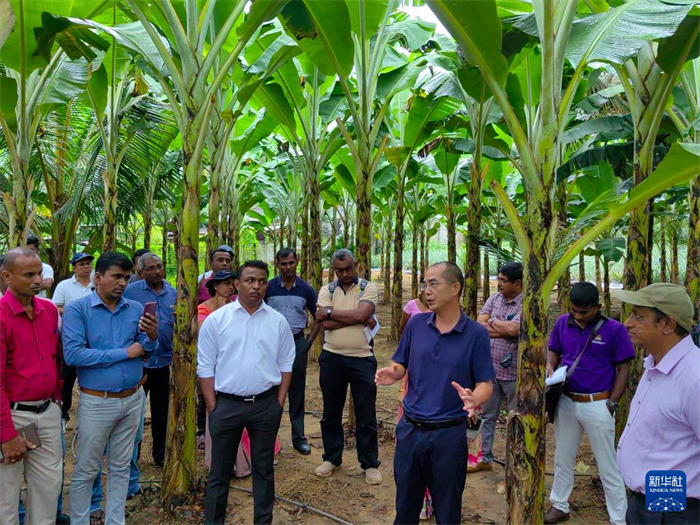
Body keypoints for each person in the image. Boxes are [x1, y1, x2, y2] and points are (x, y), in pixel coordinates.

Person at [376, 261, 495, 525]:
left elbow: (487, 382)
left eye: (433, 284)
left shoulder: (475, 334)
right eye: (424, 284)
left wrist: (475, 398)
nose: (426, 290)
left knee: (447, 509)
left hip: (448, 436)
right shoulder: (417, 324)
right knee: (405, 506)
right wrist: (394, 372)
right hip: (410, 430)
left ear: (455, 288)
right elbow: (401, 363)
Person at [62, 252, 158, 525]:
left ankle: (116, 521)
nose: (122, 283)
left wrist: (152, 337)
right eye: (116, 276)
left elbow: (145, 350)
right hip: (97, 401)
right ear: (98, 277)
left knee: (120, 467)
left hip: (132, 398)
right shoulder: (78, 310)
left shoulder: (136, 309)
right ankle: (80, 521)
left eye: (127, 278)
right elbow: (74, 355)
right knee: (86, 469)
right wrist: (123, 353)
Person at [198, 260, 295, 525]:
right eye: (250, 280)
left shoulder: (277, 322)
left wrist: (279, 402)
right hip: (226, 406)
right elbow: (205, 366)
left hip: (265, 406)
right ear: (237, 284)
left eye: (262, 281)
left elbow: (286, 363)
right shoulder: (217, 320)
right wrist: (212, 408)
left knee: (264, 471)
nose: (256, 286)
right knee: (219, 474)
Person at [544, 282, 633, 525]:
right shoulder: (563, 323)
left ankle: (619, 518)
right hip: (567, 400)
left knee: (607, 465)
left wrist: (613, 402)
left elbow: (623, 367)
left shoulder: (615, 330)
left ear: (598, 307)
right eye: (574, 310)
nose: (578, 316)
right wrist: (551, 366)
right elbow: (554, 348)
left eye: (584, 311)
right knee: (562, 457)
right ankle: (559, 505)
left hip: (599, 403)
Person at [613, 283, 700, 525]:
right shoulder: (655, 365)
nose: (628, 323)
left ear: (668, 325)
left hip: (678, 510)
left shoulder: (694, 378)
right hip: (655, 499)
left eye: (638, 316)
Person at [0, 248, 63, 525]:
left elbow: (56, 358)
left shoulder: (48, 310)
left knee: (49, 489)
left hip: (46, 412)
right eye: (29, 274)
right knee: (6, 495)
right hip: (12, 416)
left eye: (39, 273)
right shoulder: (1, 316)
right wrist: (6, 433)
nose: (38, 280)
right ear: (7, 276)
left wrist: (57, 401)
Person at [314, 249, 382, 485]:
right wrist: (354, 317)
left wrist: (333, 313)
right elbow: (324, 324)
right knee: (331, 412)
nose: (344, 274)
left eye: (348, 268)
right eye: (339, 270)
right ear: (334, 269)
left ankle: (370, 464)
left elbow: (363, 313)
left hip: (362, 359)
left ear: (356, 265)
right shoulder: (327, 290)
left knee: (366, 414)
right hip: (332, 358)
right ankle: (332, 458)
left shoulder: (368, 288)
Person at [265, 248, 321, 455]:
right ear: (277, 265)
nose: (288, 267)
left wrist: (309, 341)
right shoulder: (269, 287)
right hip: (272, 345)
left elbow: (319, 316)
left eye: (291, 263)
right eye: (283, 264)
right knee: (270, 391)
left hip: (297, 343)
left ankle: (299, 438)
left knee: (296, 391)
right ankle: (269, 439)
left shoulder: (306, 289)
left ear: (297, 262)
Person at [124, 253, 176, 470]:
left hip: (164, 361)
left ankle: (160, 454)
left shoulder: (172, 292)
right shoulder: (131, 292)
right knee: (134, 412)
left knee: (161, 410)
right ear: (141, 272)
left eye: (159, 266)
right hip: (141, 362)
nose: (157, 271)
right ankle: (131, 457)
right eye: (151, 268)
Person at [475, 261, 523, 473]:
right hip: (491, 369)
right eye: (499, 279)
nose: (499, 284)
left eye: (503, 281)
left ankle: (515, 460)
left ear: (518, 283)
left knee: (516, 418)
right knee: (487, 415)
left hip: (514, 372)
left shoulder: (526, 304)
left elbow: (515, 330)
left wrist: (493, 323)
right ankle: (484, 457)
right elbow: (479, 324)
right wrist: (502, 328)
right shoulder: (495, 299)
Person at [53, 252, 95, 422]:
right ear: (74, 267)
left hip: (93, 338)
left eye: (88, 263)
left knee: (91, 373)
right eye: (82, 264)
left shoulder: (96, 283)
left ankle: (90, 411)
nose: (86, 267)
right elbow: (56, 307)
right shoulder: (64, 286)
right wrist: (78, 313)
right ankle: (63, 410)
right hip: (70, 337)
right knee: (67, 376)